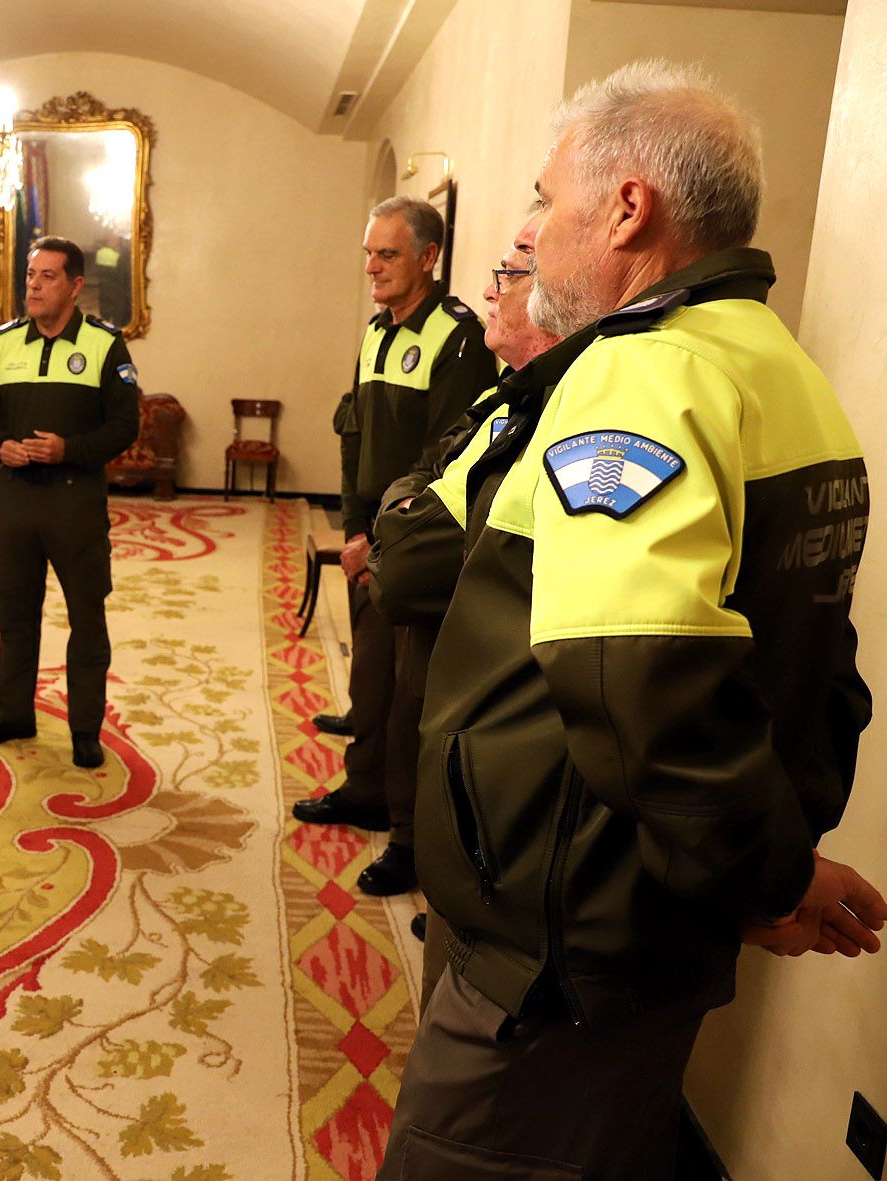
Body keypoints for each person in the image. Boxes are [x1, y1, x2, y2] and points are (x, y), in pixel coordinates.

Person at [377, 62, 886, 1181]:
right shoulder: (782, 370)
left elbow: (637, 686)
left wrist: (767, 875)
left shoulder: (643, 375)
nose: (536, 228)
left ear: (625, 208)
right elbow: (817, 672)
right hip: (649, 911)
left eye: (549, 197)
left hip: (559, 944)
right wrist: (761, 864)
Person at [366, 218, 562, 994]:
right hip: (439, 626)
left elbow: (413, 553)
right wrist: (384, 514)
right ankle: (423, 867)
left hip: (486, 670)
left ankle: (434, 878)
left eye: (509, 271)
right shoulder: (501, 396)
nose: (489, 288)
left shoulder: (547, 401)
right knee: (399, 718)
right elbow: (418, 475)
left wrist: (395, 517)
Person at [293, 196, 495, 899]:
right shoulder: (378, 332)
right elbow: (356, 439)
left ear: (429, 258)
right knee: (372, 678)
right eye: (369, 254)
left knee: (413, 694)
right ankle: (365, 788)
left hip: (416, 544)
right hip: (369, 536)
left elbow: (448, 458)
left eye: (388, 254)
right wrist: (352, 525)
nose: (373, 268)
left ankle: (409, 837)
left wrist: (382, 543)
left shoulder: (459, 338)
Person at [0, 236, 140, 769]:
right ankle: (13, 712)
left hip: (75, 502)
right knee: (16, 615)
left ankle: (85, 728)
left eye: (47, 277)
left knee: (86, 617)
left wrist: (70, 450)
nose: (34, 286)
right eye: (30, 276)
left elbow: (124, 425)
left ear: (75, 286)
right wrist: (0, 446)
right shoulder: (5, 342)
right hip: (16, 500)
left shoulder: (107, 346)